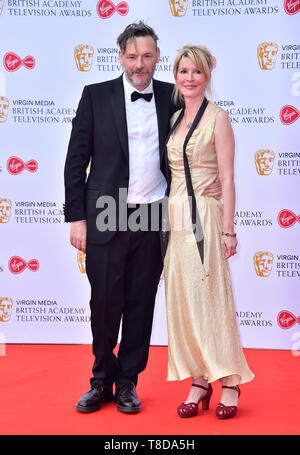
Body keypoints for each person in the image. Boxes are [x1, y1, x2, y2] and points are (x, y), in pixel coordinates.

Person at [64, 23, 221, 415]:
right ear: (121, 57)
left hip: (153, 215)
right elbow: (75, 161)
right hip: (105, 213)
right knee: (103, 302)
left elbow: (200, 134)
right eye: (132, 56)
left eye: (147, 56)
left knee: (140, 302)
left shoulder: (172, 95)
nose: (140, 64)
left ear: (156, 57)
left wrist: (210, 182)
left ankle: (128, 381)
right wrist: (77, 218)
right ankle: (101, 380)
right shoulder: (95, 96)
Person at [162, 45, 254, 420]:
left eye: (196, 72)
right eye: (183, 71)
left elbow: (228, 177)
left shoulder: (218, 118)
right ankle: (200, 379)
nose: (189, 78)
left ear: (207, 76)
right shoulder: (172, 118)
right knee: (184, 302)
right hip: (174, 220)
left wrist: (229, 229)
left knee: (212, 298)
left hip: (205, 217)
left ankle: (230, 380)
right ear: (176, 75)